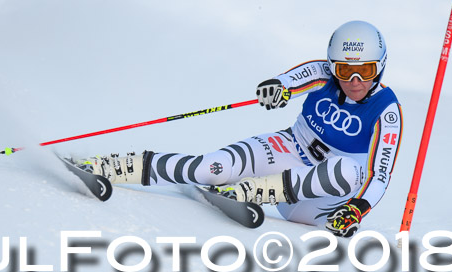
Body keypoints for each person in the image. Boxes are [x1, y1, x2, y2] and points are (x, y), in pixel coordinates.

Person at [78, 20, 403, 238]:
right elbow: (296, 78)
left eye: (366, 71)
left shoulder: (387, 110)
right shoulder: (324, 74)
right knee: (210, 166)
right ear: (333, 65)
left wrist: (356, 209)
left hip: (317, 199)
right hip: (286, 151)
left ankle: (247, 191)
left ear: (381, 66)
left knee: (348, 169)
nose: (355, 80)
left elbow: (380, 175)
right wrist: (280, 87)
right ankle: (110, 167)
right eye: (346, 69)